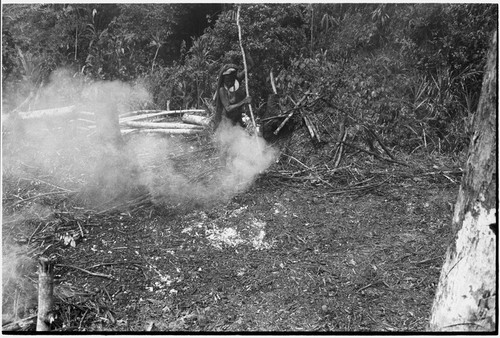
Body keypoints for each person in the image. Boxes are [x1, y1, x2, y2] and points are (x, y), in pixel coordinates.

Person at [213, 55, 254, 131]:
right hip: (226, 123)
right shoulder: (222, 90)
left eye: (231, 79)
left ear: (234, 77)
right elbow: (228, 108)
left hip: (237, 121)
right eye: (227, 80)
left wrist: (246, 51)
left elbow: (250, 66)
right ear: (223, 79)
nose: (229, 82)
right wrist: (244, 101)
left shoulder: (237, 80)